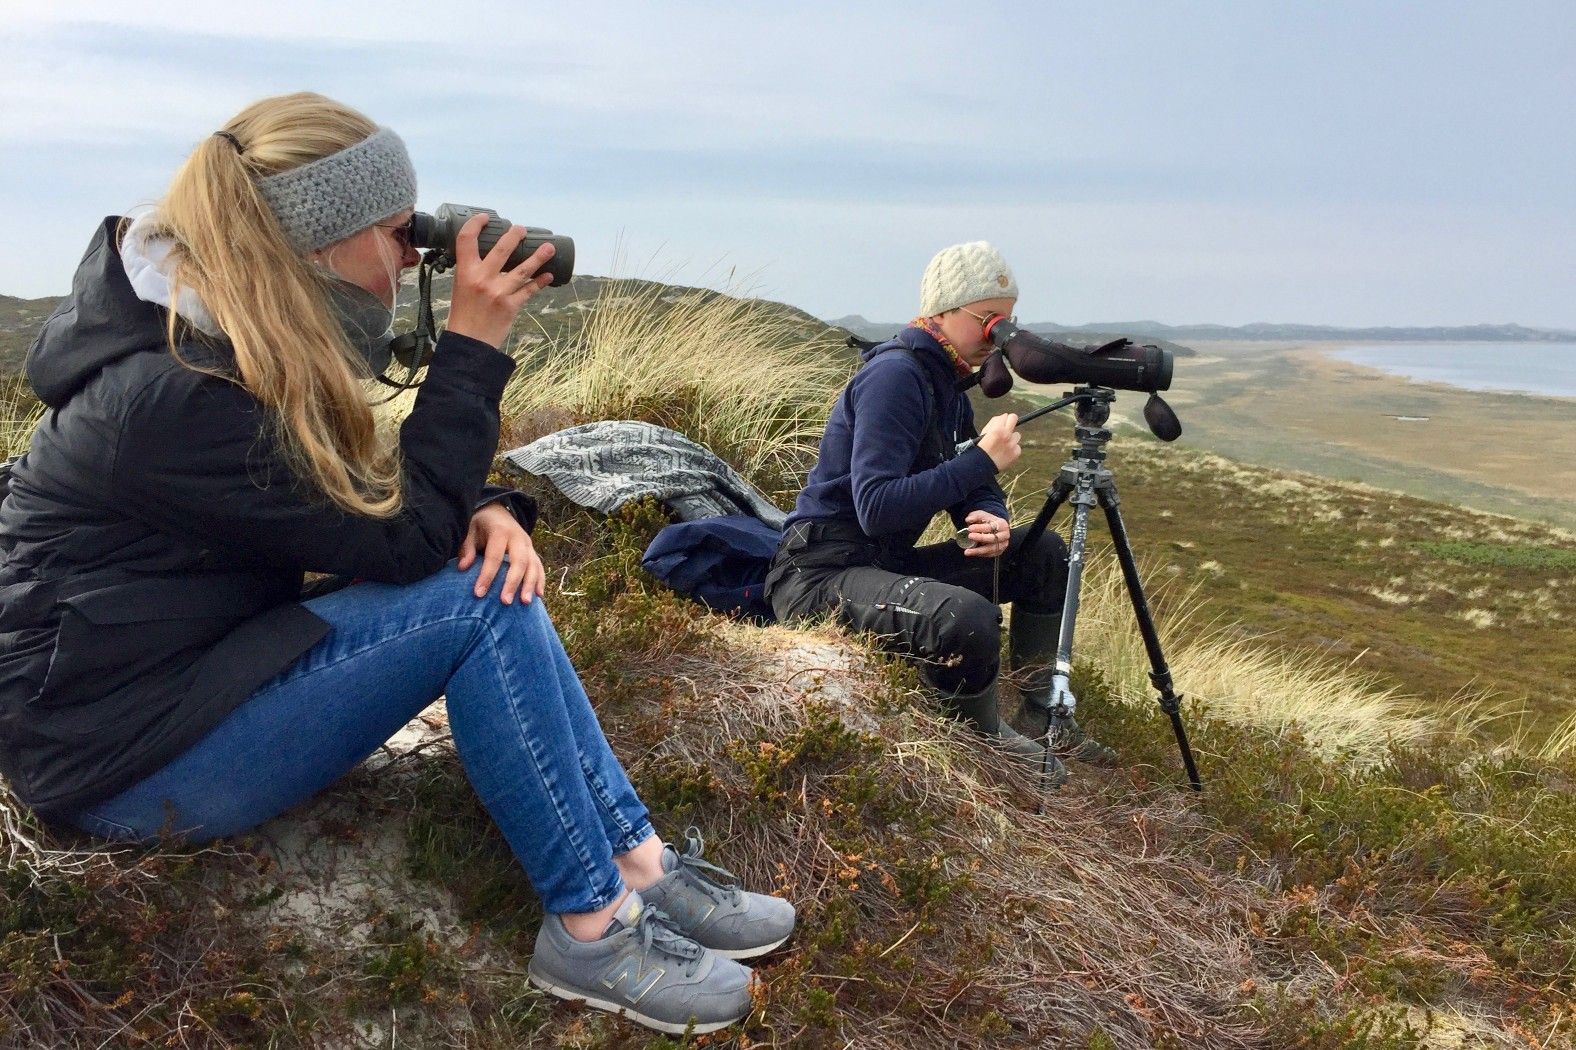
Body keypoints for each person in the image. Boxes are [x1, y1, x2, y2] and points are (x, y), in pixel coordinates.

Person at [0, 92, 792, 1036]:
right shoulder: (172, 397)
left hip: (177, 679)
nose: (412, 256)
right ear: (320, 242)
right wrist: (474, 344)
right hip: (121, 763)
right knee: (477, 604)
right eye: (397, 233)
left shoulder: (211, 333)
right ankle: (592, 928)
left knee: (481, 580)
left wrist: (487, 502)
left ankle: (639, 864)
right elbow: (405, 539)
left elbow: (352, 497)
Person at [766, 241, 1115, 781]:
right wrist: (982, 462)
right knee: (966, 618)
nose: (998, 334)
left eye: (1007, 320)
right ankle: (982, 740)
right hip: (819, 574)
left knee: (1043, 554)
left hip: (879, 567)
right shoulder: (897, 377)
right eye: (988, 319)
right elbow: (877, 506)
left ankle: (1043, 711)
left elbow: (963, 482)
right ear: (944, 312)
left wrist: (990, 515)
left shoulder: (949, 385)